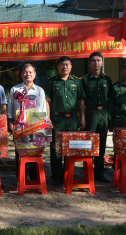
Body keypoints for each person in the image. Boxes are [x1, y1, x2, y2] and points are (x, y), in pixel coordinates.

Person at [45, 56, 86, 186]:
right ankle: (56, 176)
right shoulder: (52, 82)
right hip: (57, 119)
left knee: (71, 146)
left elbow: (80, 101)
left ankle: (67, 173)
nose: (64, 67)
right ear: (58, 67)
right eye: (62, 64)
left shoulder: (77, 82)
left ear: (71, 66)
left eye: (67, 64)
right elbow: (48, 101)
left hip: (73, 119)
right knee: (56, 148)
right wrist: (48, 118)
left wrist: (82, 117)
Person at [7, 63, 47, 181]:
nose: (27, 74)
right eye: (25, 72)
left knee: (35, 151)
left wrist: (44, 126)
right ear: (21, 74)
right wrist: (10, 123)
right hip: (20, 127)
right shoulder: (15, 89)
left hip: (36, 127)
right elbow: (10, 109)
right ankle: (21, 178)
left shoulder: (39, 91)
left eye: (30, 72)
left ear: (34, 75)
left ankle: (34, 178)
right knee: (20, 152)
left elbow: (44, 110)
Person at [81, 52, 113, 183]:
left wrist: (110, 118)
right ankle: (88, 173)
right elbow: (81, 100)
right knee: (89, 144)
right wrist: (82, 118)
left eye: (98, 60)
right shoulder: (84, 80)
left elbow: (110, 99)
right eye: (93, 61)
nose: (96, 63)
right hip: (90, 113)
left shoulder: (107, 79)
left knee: (101, 144)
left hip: (104, 113)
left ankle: (99, 173)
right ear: (89, 63)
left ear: (102, 62)